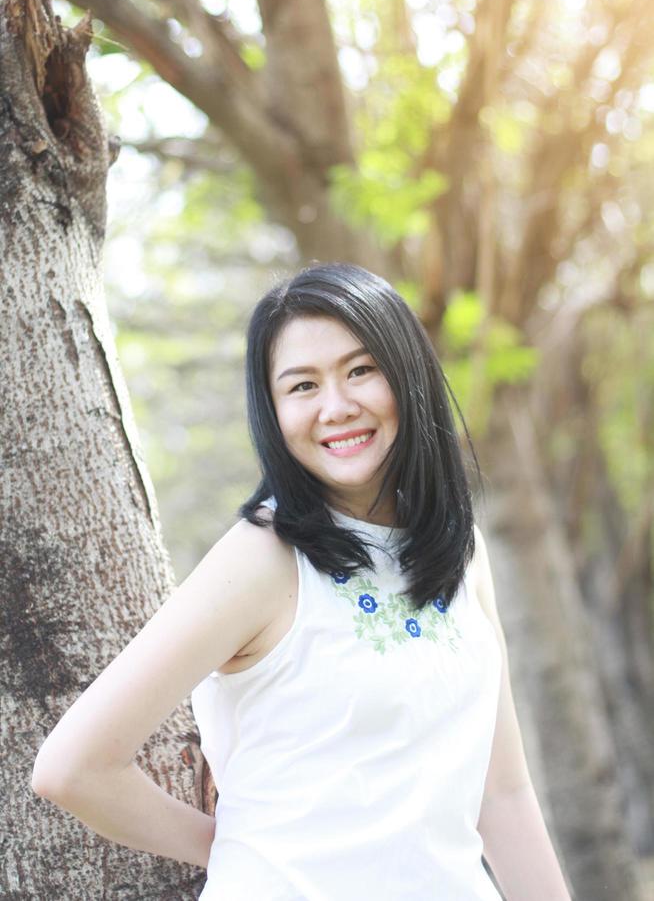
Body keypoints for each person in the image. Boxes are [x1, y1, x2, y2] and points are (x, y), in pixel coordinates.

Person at [32, 262, 572, 900]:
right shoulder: (263, 557)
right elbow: (73, 768)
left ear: (409, 375)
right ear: (272, 412)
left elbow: (502, 793)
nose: (337, 407)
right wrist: (235, 849)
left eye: (361, 370)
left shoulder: (460, 551)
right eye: (302, 386)